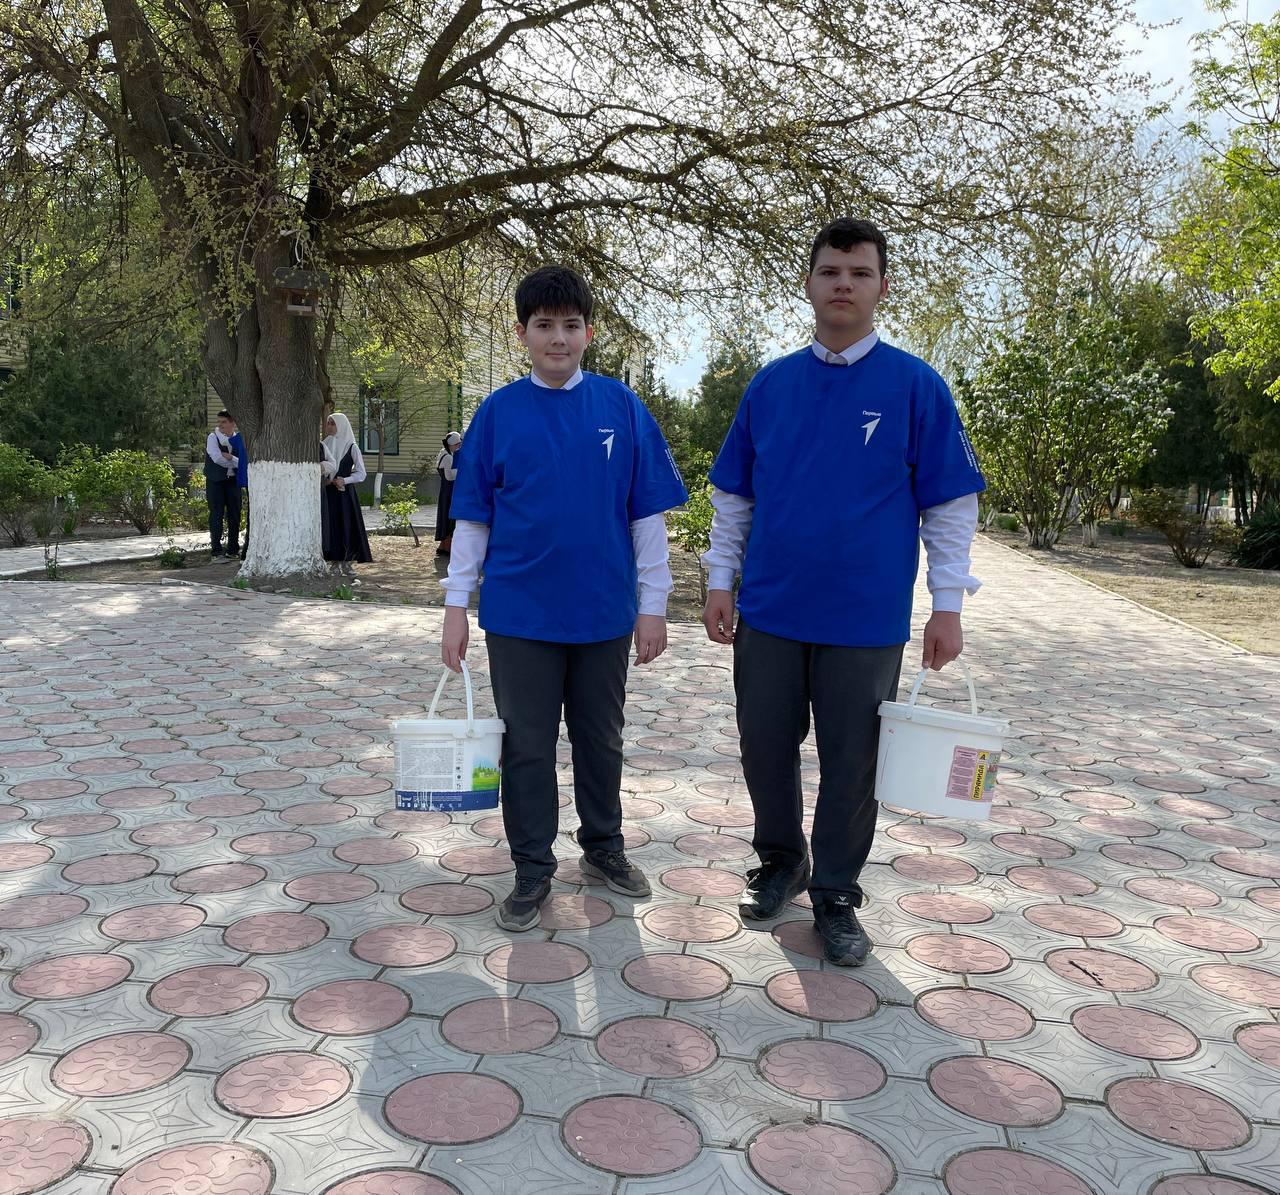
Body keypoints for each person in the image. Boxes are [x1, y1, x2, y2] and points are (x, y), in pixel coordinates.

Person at [701, 218, 985, 966]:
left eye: (859, 273)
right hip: (771, 609)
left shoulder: (916, 387)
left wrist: (948, 605)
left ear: (882, 287)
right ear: (808, 283)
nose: (844, 285)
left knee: (852, 761)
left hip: (866, 616)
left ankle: (834, 892)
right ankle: (781, 861)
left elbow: (950, 507)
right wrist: (720, 580)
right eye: (830, 271)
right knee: (765, 744)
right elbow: (734, 498)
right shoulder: (771, 385)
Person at [441, 265, 688, 932]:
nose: (558, 338)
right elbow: (473, 521)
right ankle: (531, 867)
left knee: (600, 737)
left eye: (571, 325)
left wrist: (653, 604)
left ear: (589, 333)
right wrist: (456, 608)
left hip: (603, 611)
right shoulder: (498, 414)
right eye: (544, 325)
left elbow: (646, 517)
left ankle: (603, 846)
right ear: (521, 333)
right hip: (520, 615)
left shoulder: (621, 407)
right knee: (526, 744)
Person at [321, 411, 373, 576]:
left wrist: (345, 480)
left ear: (341, 425)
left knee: (346, 525)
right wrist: (326, 480)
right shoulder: (325, 444)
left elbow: (361, 473)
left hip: (345, 495)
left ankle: (347, 562)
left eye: (332, 423)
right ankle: (334, 562)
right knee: (331, 526)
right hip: (329, 493)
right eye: (328, 423)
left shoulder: (352, 447)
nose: (329, 426)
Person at [203, 410, 241, 559]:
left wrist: (232, 458)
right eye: (219, 422)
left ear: (233, 423)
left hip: (233, 481)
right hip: (216, 481)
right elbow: (217, 458)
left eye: (224, 422)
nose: (220, 425)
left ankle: (233, 549)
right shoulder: (213, 437)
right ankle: (216, 551)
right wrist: (235, 463)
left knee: (235, 514)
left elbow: (243, 461)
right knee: (216, 514)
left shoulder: (238, 438)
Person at [434, 431, 462, 556]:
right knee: (448, 518)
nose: (459, 447)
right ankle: (448, 546)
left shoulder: (443, 453)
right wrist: (462, 470)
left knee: (445, 516)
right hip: (448, 490)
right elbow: (449, 476)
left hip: (445, 490)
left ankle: (443, 546)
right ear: (452, 445)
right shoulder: (448, 457)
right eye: (457, 445)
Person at [228, 420, 249, 560]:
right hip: (252, 477)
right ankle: (246, 552)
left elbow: (231, 440)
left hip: (248, 477)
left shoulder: (241, 436)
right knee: (252, 516)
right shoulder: (242, 437)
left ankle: (245, 552)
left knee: (252, 516)